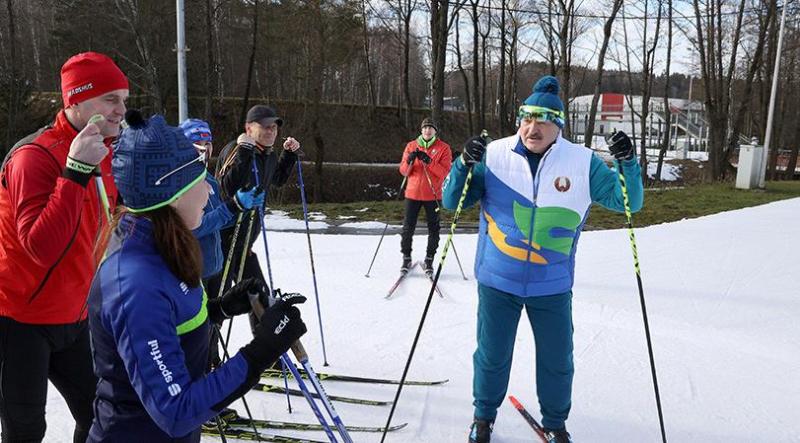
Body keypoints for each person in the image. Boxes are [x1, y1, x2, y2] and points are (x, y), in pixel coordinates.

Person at [442, 75, 644, 443]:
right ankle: (482, 418)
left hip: (550, 285)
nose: (533, 128)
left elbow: (627, 202)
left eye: (544, 120)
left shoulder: (583, 163)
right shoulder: (494, 154)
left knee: (557, 361)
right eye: (527, 118)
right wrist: (462, 164)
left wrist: (628, 164)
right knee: (491, 355)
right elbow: (452, 201)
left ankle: (555, 423)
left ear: (559, 125)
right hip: (498, 280)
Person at [86, 111, 307, 442]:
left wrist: (221, 307)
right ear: (170, 195)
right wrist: (262, 350)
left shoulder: (164, 248)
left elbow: (171, 326)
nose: (209, 190)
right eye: (197, 182)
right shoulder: (136, 283)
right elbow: (176, 410)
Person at [0, 51, 128, 443]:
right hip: (19, 318)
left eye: (124, 99)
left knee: (101, 414)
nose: (122, 109)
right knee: (25, 429)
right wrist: (75, 171)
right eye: (111, 99)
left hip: (75, 315)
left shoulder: (105, 151)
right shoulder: (33, 157)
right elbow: (41, 247)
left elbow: (107, 225)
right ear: (76, 99)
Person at [179, 118, 265, 369]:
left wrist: (243, 210)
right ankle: (201, 377)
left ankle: (212, 366)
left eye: (207, 143)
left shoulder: (208, 179)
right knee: (198, 330)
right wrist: (232, 207)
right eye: (196, 143)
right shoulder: (181, 182)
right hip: (194, 269)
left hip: (215, 266)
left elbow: (220, 221)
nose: (203, 149)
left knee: (214, 322)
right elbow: (196, 227)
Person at [208, 105, 300, 306]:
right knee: (218, 304)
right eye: (265, 126)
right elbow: (226, 189)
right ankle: (208, 337)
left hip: (244, 242)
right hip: (222, 243)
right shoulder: (235, 149)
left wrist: (289, 155)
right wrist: (244, 151)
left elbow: (277, 179)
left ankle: (267, 336)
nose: (271, 131)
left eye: (274, 127)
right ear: (249, 129)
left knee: (262, 301)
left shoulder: (268, 155)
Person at [398, 117, 452, 276]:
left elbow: (444, 173)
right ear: (421, 130)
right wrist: (409, 161)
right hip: (412, 194)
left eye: (431, 128)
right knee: (408, 228)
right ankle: (406, 257)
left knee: (434, 228)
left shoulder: (443, 148)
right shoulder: (411, 146)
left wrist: (428, 161)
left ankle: (429, 259)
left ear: (435, 131)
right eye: (425, 128)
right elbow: (403, 171)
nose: (427, 130)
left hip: (433, 195)